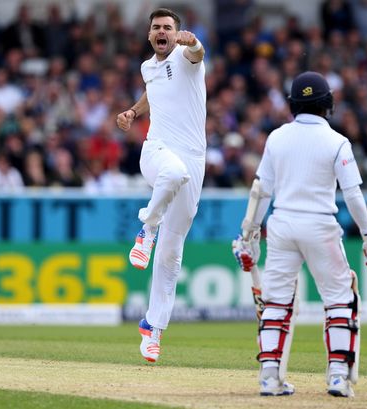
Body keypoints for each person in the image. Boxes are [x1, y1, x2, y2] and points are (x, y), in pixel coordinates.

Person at [232, 71, 367, 398]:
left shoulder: (276, 137)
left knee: (275, 302)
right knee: (339, 301)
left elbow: (261, 191)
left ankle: (269, 378)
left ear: (293, 104)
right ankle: (336, 377)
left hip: (282, 225)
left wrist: (249, 233)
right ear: (328, 104)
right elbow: (353, 195)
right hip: (320, 226)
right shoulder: (337, 142)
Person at [116, 8, 206, 363]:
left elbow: (198, 53)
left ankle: (152, 329)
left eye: (168, 27)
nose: (162, 31)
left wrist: (194, 41)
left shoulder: (188, 56)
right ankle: (147, 226)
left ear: (178, 33)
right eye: (157, 28)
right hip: (157, 149)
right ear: (150, 35)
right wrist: (133, 113)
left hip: (194, 157)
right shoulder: (147, 67)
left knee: (172, 251)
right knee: (171, 174)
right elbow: (152, 92)